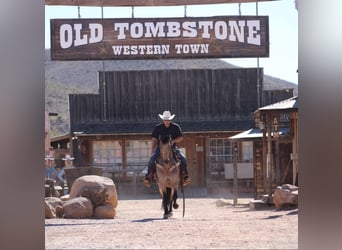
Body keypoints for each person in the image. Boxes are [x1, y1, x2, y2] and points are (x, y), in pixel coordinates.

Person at [143, 110, 190, 187]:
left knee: (183, 158)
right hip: (160, 148)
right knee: (152, 159)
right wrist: (152, 150)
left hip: (173, 148)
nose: (166, 121)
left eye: (168, 120)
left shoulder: (175, 127)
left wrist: (174, 141)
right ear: (163, 120)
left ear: (170, 119)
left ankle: (185, 175)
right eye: (165, 120)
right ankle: (149, 176)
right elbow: (154, 139)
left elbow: (181, 137)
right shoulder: (158, 128)